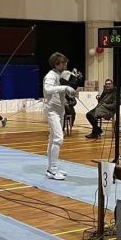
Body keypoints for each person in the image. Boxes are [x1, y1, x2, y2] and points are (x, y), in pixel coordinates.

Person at [43, 52, 77, 180]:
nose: (66, 64)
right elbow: (48, 89)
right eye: (63, 62)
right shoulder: (50, 75)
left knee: (52, 139)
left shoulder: (59, 75)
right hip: (52, 111)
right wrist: (64, 88)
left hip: (59, 110)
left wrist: (69, 89)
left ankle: (51, 169)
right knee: (58, 138)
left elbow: (62, 87)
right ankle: (53, 170)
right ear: (56, 64)